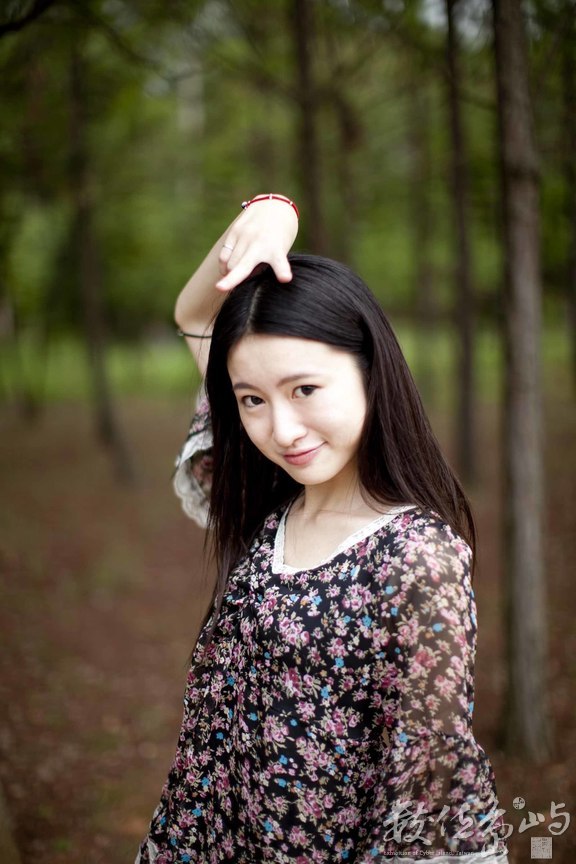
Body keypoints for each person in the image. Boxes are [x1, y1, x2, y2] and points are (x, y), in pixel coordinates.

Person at [136, 194, 509, 863]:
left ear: (370, 371)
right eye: (252, 400)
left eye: (305, 389)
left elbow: (424, 784)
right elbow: (194, 315)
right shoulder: (271, 502)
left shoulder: (413, 556)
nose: (282, 429)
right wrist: (271, 212)